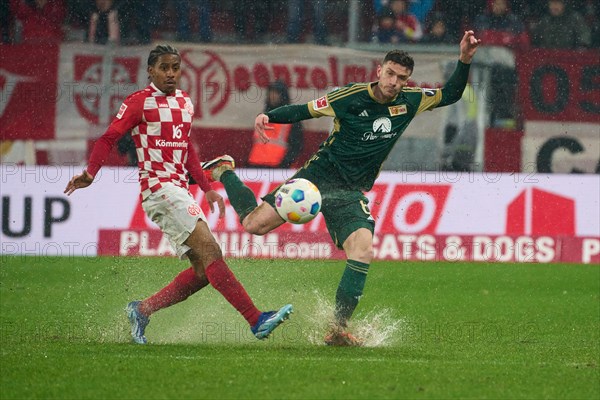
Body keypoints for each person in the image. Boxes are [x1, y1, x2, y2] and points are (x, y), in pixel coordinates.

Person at [201, 31, 481, 346]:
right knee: (253, 224)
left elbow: (453, 93)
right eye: (390, 74)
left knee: (363, 248)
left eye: (402, 78)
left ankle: (337, 329)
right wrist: (270, 115)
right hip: (317, 178)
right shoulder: (349, 96)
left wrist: (465, 59)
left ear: (407, 80)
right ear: (379, 70)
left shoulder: (412, 100)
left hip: (350, 192)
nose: (394, 82)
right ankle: (224, 170)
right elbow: (304, 110)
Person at [64, 44, 292, 345]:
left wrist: (207, 188)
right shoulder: (138, 103)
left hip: (179, 189)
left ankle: (142, 310)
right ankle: (256, 319)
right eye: (164, 68)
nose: (171, 73)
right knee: (212, 252)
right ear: (151, 70)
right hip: (158, 189)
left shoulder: (185, 103)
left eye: (175, 68)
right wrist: (91, 173)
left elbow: (185, 150)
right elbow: (109, 137)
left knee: (202, 271)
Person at [247, 81, 304, 169]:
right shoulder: (262, 117)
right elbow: (254, 143)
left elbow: (296, 146)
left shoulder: (292, 118)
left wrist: (285, 164)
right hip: (254, 165)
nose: (272, 96)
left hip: (277, 167)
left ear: (283, 95)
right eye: (271, 93)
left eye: (276, 93)